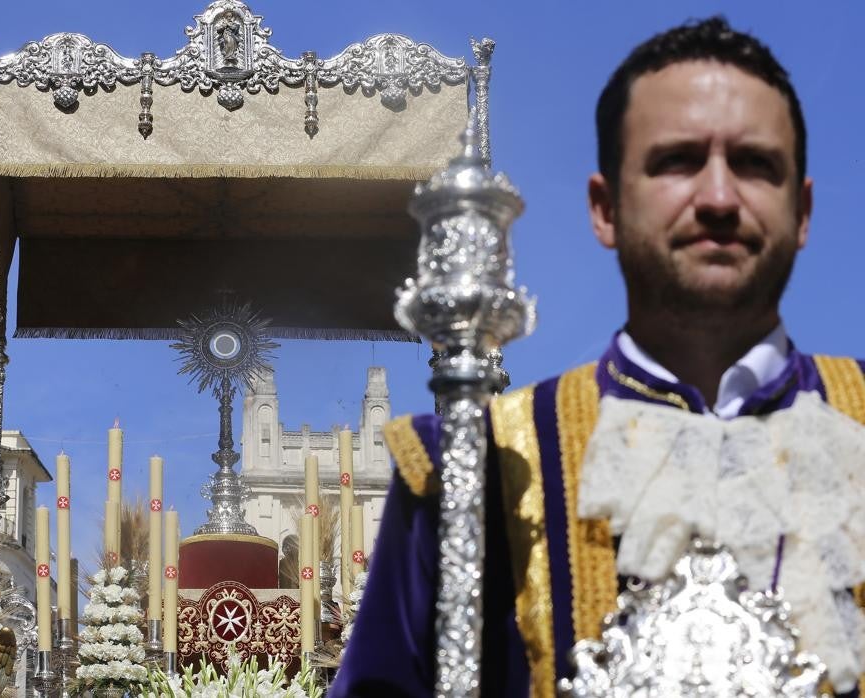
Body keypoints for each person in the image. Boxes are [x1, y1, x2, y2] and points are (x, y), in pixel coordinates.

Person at [333, 17, 865, 698]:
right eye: (677, 161)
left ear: (804, 211)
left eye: (756, 165)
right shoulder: (473, 462)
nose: (720, 198)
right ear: (604, 207)